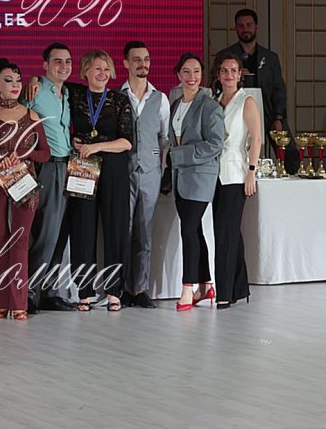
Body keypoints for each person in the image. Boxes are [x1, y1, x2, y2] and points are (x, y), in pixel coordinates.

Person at [0, 58, 50, 320]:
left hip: (24, 185)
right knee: (0, 241)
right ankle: (1, 302)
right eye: (8, 80)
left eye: (17, 80)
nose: (14, 85)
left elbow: (45, 153)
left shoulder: (31, 115)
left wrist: (23, 154)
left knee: (20, 241)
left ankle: (20, 303)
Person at [63, 50, 134, 312]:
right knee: (82, 228)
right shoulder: (74, 95)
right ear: (85, 71)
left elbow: (127, 142)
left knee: (115, 228)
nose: (102, 74)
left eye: (106, 69)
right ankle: (84, 291)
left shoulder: (119, 100)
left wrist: (97, 146)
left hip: (114, 170)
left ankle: (114, 291)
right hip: (83, 169)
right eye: (97, 68)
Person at [20, 43, 76, 314]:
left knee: (60, 233)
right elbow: (19, 124)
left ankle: (50, 292)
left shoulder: (68, 92)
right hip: (48, 166)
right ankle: (29, 293)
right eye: (57, 61)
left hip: (69, 166)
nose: (63, 66)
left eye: (67, 61)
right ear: (44, 65)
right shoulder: (35, 91)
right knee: (45, 233)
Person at [169, 53, 225, 312]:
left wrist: (179, 155)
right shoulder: (175, 103)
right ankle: (205, 284)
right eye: (186, 71)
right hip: (179, 176)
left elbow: (215, 144)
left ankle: (187, 288)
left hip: (201, 176)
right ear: (178, 74)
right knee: (195, 230)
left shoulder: (210, 106)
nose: (192, 77)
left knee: (189, 230)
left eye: (196, 72)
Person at [119, 41, 170, 309]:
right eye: (137, 59)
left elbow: (164, 138)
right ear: (126, 63)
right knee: (123, 231)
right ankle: (120, 288)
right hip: (122, 172)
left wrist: (156, 163)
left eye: (146, 59)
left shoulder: (160, 98)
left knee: (144, 232)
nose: (143, 64)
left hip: (150, 172)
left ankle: (139, 288)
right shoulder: (117, 96)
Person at [211, 50, 261, 308]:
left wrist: (251, 171)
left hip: (235, 174)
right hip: (214, 174)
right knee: (228, 232)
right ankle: (239, 287)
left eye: (233, 70)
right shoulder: (214, 100)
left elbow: (256, 138)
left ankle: (224, 292)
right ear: (218, 75)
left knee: (225, 233)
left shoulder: (246, 101)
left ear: (240, 74)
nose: (228, 75)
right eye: (224, 71)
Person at [219, 8, 297, 171]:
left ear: (256, 27)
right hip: (235, 108)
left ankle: (291, 175)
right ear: (236, 29)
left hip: (267, 109)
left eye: (249, 25)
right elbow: (215, 84)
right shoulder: (225, 56)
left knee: (290, 154)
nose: (245, 29)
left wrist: (278, 117)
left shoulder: (270, 58)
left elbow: (279, 89)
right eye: (241, 26)